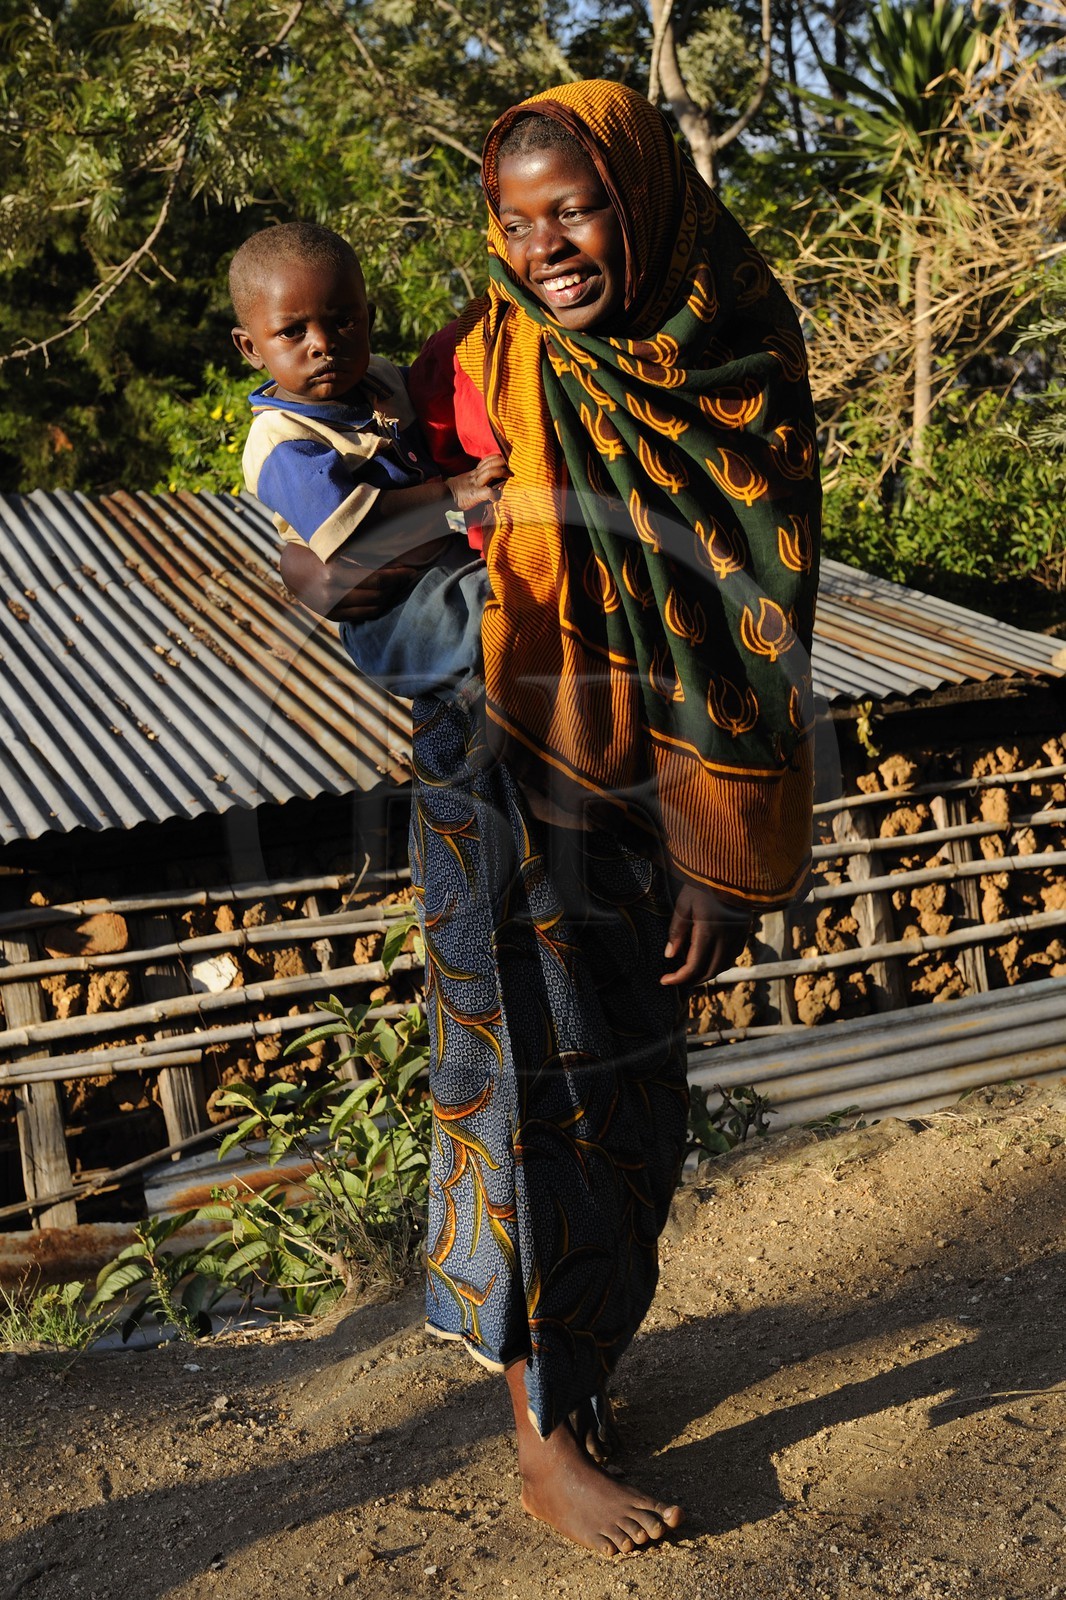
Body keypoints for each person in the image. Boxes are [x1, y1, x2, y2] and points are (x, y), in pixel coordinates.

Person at [283, 81, 820, 1558]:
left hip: (660, 789)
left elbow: (755, 614)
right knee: (531, 1083)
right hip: (502, 777)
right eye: (513, 222)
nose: (545, 247)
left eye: (571, 208)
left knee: (632, 1093)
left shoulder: (734, 352)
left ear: (638, 194)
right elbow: (341, 567)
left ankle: (577, 1379)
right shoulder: (476, 358)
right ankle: (538, 1441)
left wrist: (719, 853)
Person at [229, 221, 505, 699]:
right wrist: (453, 493)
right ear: (251, 347)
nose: (323, 343)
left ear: (369, 318)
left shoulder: (380, 379)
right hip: (396, 612)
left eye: (344, 321)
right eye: (292, 331)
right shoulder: (280, 439)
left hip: (446, 568)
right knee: (518, 623)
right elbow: (352, 528)